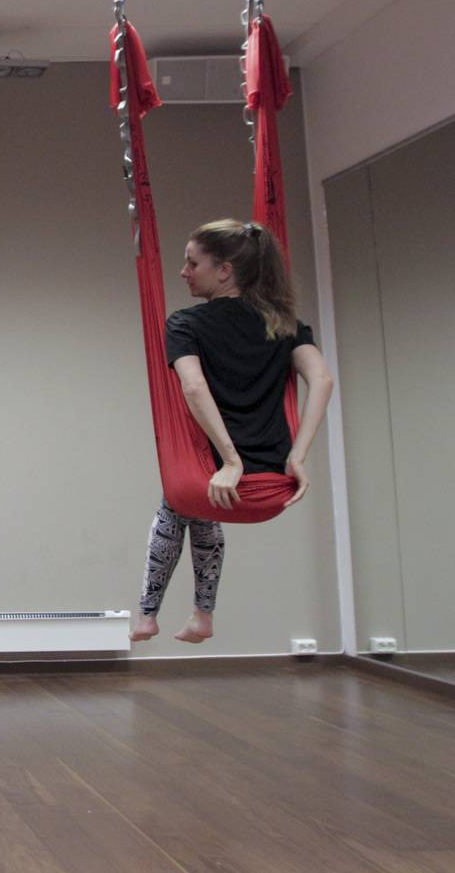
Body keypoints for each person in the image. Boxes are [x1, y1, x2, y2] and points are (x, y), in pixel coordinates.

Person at [132, 219, 333, 644]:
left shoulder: (186, 324)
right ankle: (201, 616)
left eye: (192, 263)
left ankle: (149, 614)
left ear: (224, 270)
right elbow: (323, 380)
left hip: (215, 472)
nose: (183, 272)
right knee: (200, 507)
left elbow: (193, 386)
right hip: (274, 482)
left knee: (179, 501)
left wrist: (230, 460)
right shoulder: (286, 325)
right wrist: (297, 456)